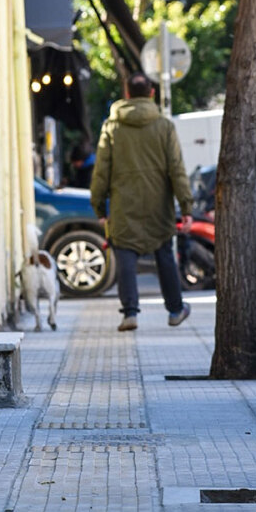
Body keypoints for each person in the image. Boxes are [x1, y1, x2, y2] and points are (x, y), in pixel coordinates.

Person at [90, 72, 194, 332]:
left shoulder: (112, 127)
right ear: (151, 93)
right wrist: (186, 206)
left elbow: (101, 171)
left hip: (123, 206)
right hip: (159, 205)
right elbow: (177, 169)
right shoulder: (165, 126)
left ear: (127, 94)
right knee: (164, 253)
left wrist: (98, 206)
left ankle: (130, 313)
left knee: (125, 254)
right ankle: (175, 310)